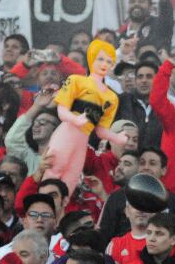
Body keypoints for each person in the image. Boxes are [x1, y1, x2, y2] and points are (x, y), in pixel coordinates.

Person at [42, 40, 129, 192]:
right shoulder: (75, 80)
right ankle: (44, 208)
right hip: (66, 133)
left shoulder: (112, 97)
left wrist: (117, 138)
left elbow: (101, 130)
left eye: (109, 61)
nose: (104, 64)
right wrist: (75, 119)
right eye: (100, 59)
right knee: (53, 172)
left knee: (71, 179)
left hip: (84, 140)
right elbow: (62, 111)